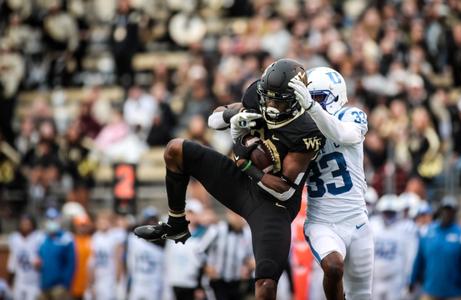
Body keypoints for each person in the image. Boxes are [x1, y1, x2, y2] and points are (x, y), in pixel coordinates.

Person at [135, 58, 325, 299]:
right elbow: (214, 118)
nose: (271, 105)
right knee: (175, 149)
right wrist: (232, 118)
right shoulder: (257, 94)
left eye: (279, 100)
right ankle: (176, 223)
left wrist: (245, 160)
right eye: (269, 97)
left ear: (297, 99)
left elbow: (284, 189)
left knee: (266, 284)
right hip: (241, 177)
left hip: (273, 204)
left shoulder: (308, 130)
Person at [287, 66, 374, 299]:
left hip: (357, 222)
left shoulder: (351, 116)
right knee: (333, 267)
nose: (311, 102)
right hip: (322, 222)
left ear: (335, 96)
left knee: (362, 294)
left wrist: (312, 107)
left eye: (317, 97)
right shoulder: (302, 129)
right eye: (309, 97)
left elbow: (342, 135)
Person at [409, 196, 461, 300]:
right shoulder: (427, 232)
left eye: (450, 210)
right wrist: (412, 279)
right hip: (430, 290)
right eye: (444, 210)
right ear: (440, 210)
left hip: (455, 293)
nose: (447, 213)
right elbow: (419, 259)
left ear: (455, 212)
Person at [370, 194, 417, 300]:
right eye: (386, 212)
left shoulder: (406, 229)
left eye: (391, 212)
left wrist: (408, 278)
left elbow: (410, 256)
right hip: (376, 278)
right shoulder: (373, 226)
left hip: (395, 279)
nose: (388, 216)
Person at [204, 209, 254, 300]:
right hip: (218, 280)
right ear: (229, 215)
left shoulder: (247, 233)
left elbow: (249, 257)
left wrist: (248, 268)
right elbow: (199, 250)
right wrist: (206, 267)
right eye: (235, 215)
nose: (238, 218)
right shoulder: (217, 229)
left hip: (237, 281)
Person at [127, 207, 165, 300]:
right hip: (138, 282)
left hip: (154, 283)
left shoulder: (163, 241)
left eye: (153, 220)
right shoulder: (134, 239)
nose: (151, 223)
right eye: (149, 220)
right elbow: (130, 261)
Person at [37, 208, 76, 300]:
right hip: (44, 285)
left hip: (59, 286)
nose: (51, 222)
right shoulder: (41, 238)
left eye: (54, 219)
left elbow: (71, 264)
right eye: (49, 219)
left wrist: (65, 284)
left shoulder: (66, 239)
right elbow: (39, 259)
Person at [7, 214, 44, 300]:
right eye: (23, 223)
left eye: (27, 223)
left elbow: (43, 258)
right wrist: (10, 278)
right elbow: (13, 260)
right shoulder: (15, 238)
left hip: (34, 280)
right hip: (19, 280)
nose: (25, 226)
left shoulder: (39, 237)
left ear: (33, 224)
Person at [88, 210, 123, 300]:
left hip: (110, 277)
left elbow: (118, 259)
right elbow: (92, 262)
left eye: (105, 220)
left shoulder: (115, 236)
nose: (103, 223)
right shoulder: (95, 237)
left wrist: (117, 281)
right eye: (100, 220)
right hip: (99, 276)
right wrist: (91, 283)